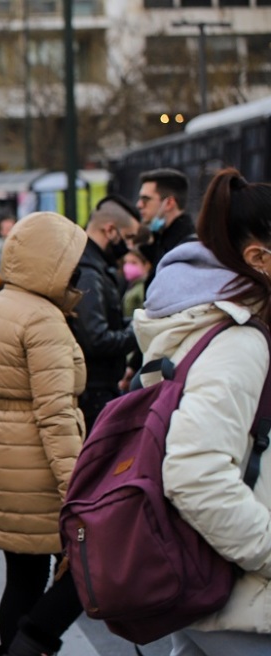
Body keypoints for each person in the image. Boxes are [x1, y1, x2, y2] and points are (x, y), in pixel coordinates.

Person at [132, 168, 271, 656]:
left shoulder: (218, 325)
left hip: (214, 591)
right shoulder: (240, 343)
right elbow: (193, 474)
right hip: (245, 605)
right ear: (259, 259)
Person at [0, 212, 87, 656]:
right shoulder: (43, 320)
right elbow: (55, 412)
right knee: (83, 571)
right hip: (36, 464)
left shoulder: (0, 305)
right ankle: (28, 647)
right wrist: (75, 486)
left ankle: (12, 648)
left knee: (21, 576)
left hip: (1, 456)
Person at [69, 209, 140, 429]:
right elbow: (96, 338)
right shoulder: (89, 272)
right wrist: (140, 330)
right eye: (127, 237)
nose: (128, 246)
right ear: (110, 230)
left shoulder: (92, 265)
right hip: (95, 392)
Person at [135, 167, 196, 289]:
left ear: (169, 203)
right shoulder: (162, 241)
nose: (139, 205)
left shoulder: (185, 249)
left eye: (145, 200)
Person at [121, 247, 149, 319]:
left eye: (134, 263)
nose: (128, 266)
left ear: (146, 265)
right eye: (126, 262)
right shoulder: (131, 286)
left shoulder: (144, 287)